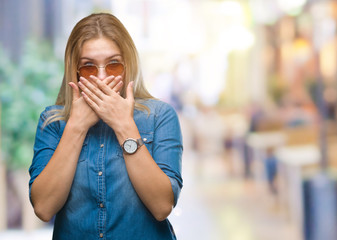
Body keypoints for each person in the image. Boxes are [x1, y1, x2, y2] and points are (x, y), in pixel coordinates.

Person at [28, 13, 183, 240]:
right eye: (89, 67)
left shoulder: (160, 116)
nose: (101, 78)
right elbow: (43, 207)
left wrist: (124, 126)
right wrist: (76, 127)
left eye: (113, 65)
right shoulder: (53, 122)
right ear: (75, 70)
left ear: (127, 65)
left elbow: (162, 206)